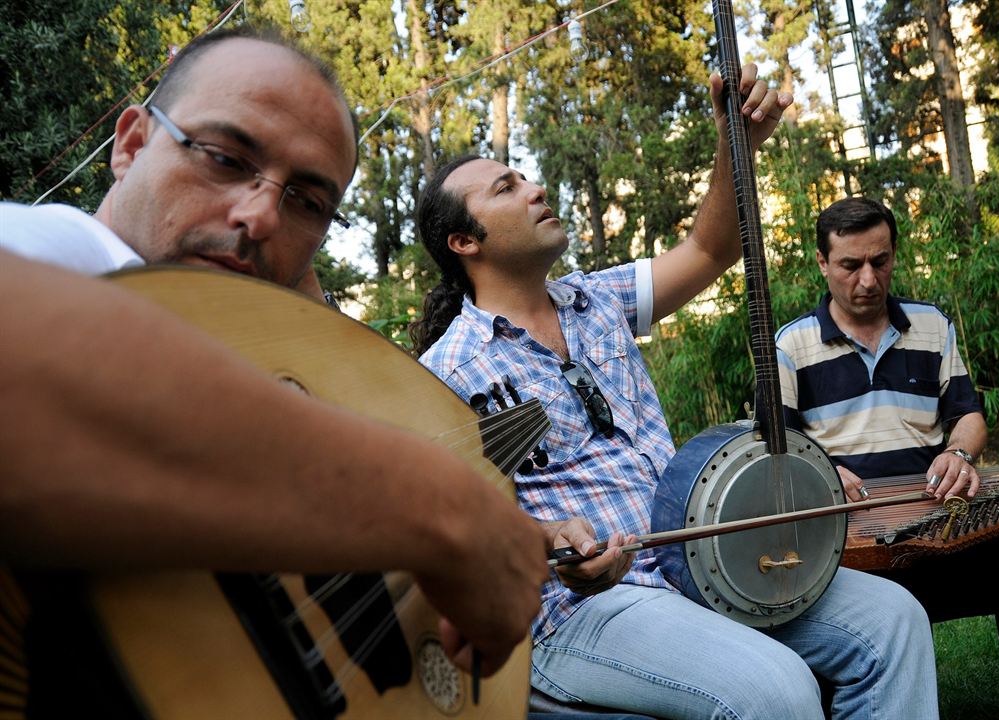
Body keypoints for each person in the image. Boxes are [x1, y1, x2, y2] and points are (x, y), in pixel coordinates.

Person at [0, 25, 632, 713]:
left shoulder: (268, 344)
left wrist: (513, 543)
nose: (260, 215)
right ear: (130, 145)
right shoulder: (58, 252)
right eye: (223, 157)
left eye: (307, 201)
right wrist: (449, 513)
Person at [411, 65, 939, 719]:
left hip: (700, 563)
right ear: (465, 242)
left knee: (893, 622)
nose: (536, 189)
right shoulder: (442, 374)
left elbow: (709, 248)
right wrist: (545, 539)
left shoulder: (596, 298)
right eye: (507, 188)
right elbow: (447, 522)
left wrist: (734, 143)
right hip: (580, 610)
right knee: (775, 691)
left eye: (525, 177)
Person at [775, 196, 999, 720]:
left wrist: (960, 452)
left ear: (894, 254)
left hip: (941, 533)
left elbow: (968, 415)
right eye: (851, 266)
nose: (868, 280)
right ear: (823, 264)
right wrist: (822, 470)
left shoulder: (931, 326)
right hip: (852, 560)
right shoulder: (791, 345)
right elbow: (775, 450)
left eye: (881, 261)